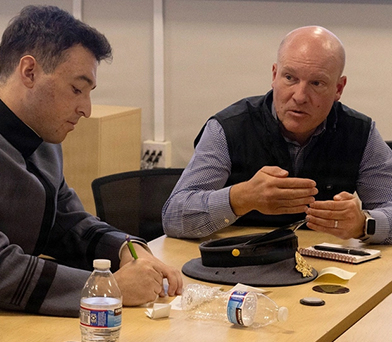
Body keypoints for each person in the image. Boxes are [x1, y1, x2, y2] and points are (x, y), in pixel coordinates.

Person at [0, 5, 183, 318]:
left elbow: (69, 224)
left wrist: (127, 248)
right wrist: (105, 288)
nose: (86, 109)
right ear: (29, 72)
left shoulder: (43, 143)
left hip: (15, 320)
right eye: (76, 89)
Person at [163, 26, 392, 244]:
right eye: (290, 78)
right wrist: (240, 198)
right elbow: (174, 216)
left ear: (338, 88)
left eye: (316, 83)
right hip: (240, 259)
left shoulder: (360, 133)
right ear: (274, 75)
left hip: (327, 263)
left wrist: (364, 224)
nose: (300, 96)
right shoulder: (229, 128)